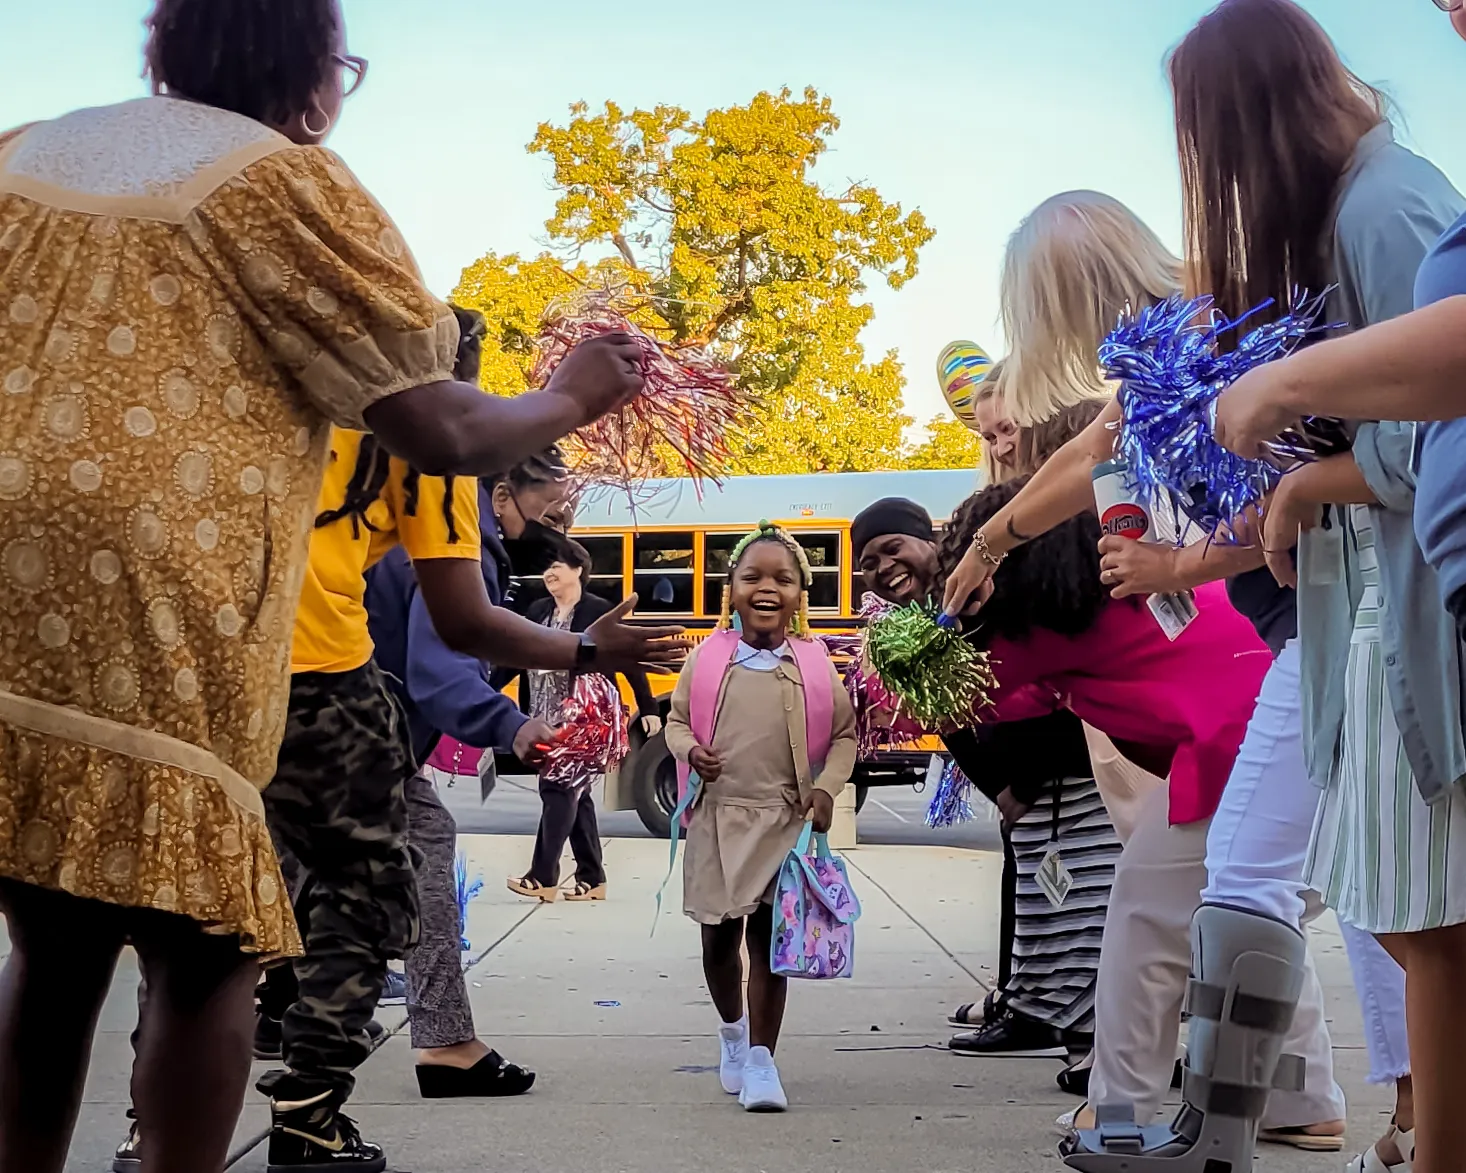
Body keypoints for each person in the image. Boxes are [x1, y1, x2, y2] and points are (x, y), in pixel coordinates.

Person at [0, 0, 655, 1169]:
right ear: (314, 75)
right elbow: (448, 431)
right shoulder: (283, 181)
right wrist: (575, 395)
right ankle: (296, 1122)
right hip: (172, 609)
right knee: (207, 946)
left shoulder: (27, 149)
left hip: (13, 602)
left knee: (51, 947)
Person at [1054, 5, 1463, 1169]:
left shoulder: (1387, 208)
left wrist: (1301, 473)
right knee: (1396, 905)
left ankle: (1249, 1129)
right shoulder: (1364, 205)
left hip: (1412, 613)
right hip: (1365, 610)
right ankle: (1268, 1126)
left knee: (1414, 911)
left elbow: (1434, 425)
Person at [852, 489, 1124, 1073]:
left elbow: (1051, 692)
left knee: (1088, 914)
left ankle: (1109, 1051)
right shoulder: (918, 626)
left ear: (929, 539)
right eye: (868, 563)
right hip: (1031, 789)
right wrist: (1005, 790)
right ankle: (1076, 1040)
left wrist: (1019, 785)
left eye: (891, 548)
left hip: (1076, 771)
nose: (881, 569)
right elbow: (955, 724)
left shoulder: (982, 594)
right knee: (1052, 915)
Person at [664, 524, 857, 1112]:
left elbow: (845, 735)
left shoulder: (814, 664)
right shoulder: (707, 660)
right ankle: (732, 1031)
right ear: (731, 589)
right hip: (718, 822)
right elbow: (675, 723)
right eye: (752, 577)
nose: (767, 588)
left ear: (801, 594)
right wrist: (689, 751)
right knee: (719, 946)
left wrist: (825, 788)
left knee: (772, 946)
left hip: (785, 824)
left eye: (783, 579)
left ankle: (763, 1061)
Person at [507, 541, 661, 902]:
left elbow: (629, 659)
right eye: (546, 567)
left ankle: (542, 876)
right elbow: (515, 654)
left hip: (587, 718)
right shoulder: (537, 610)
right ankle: (592, 877)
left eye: (558, 565)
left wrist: (649, 707)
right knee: (577, 795)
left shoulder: (598, 612)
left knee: (558, 789)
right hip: (545, 715)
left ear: (579, 570)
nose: (550, 573)